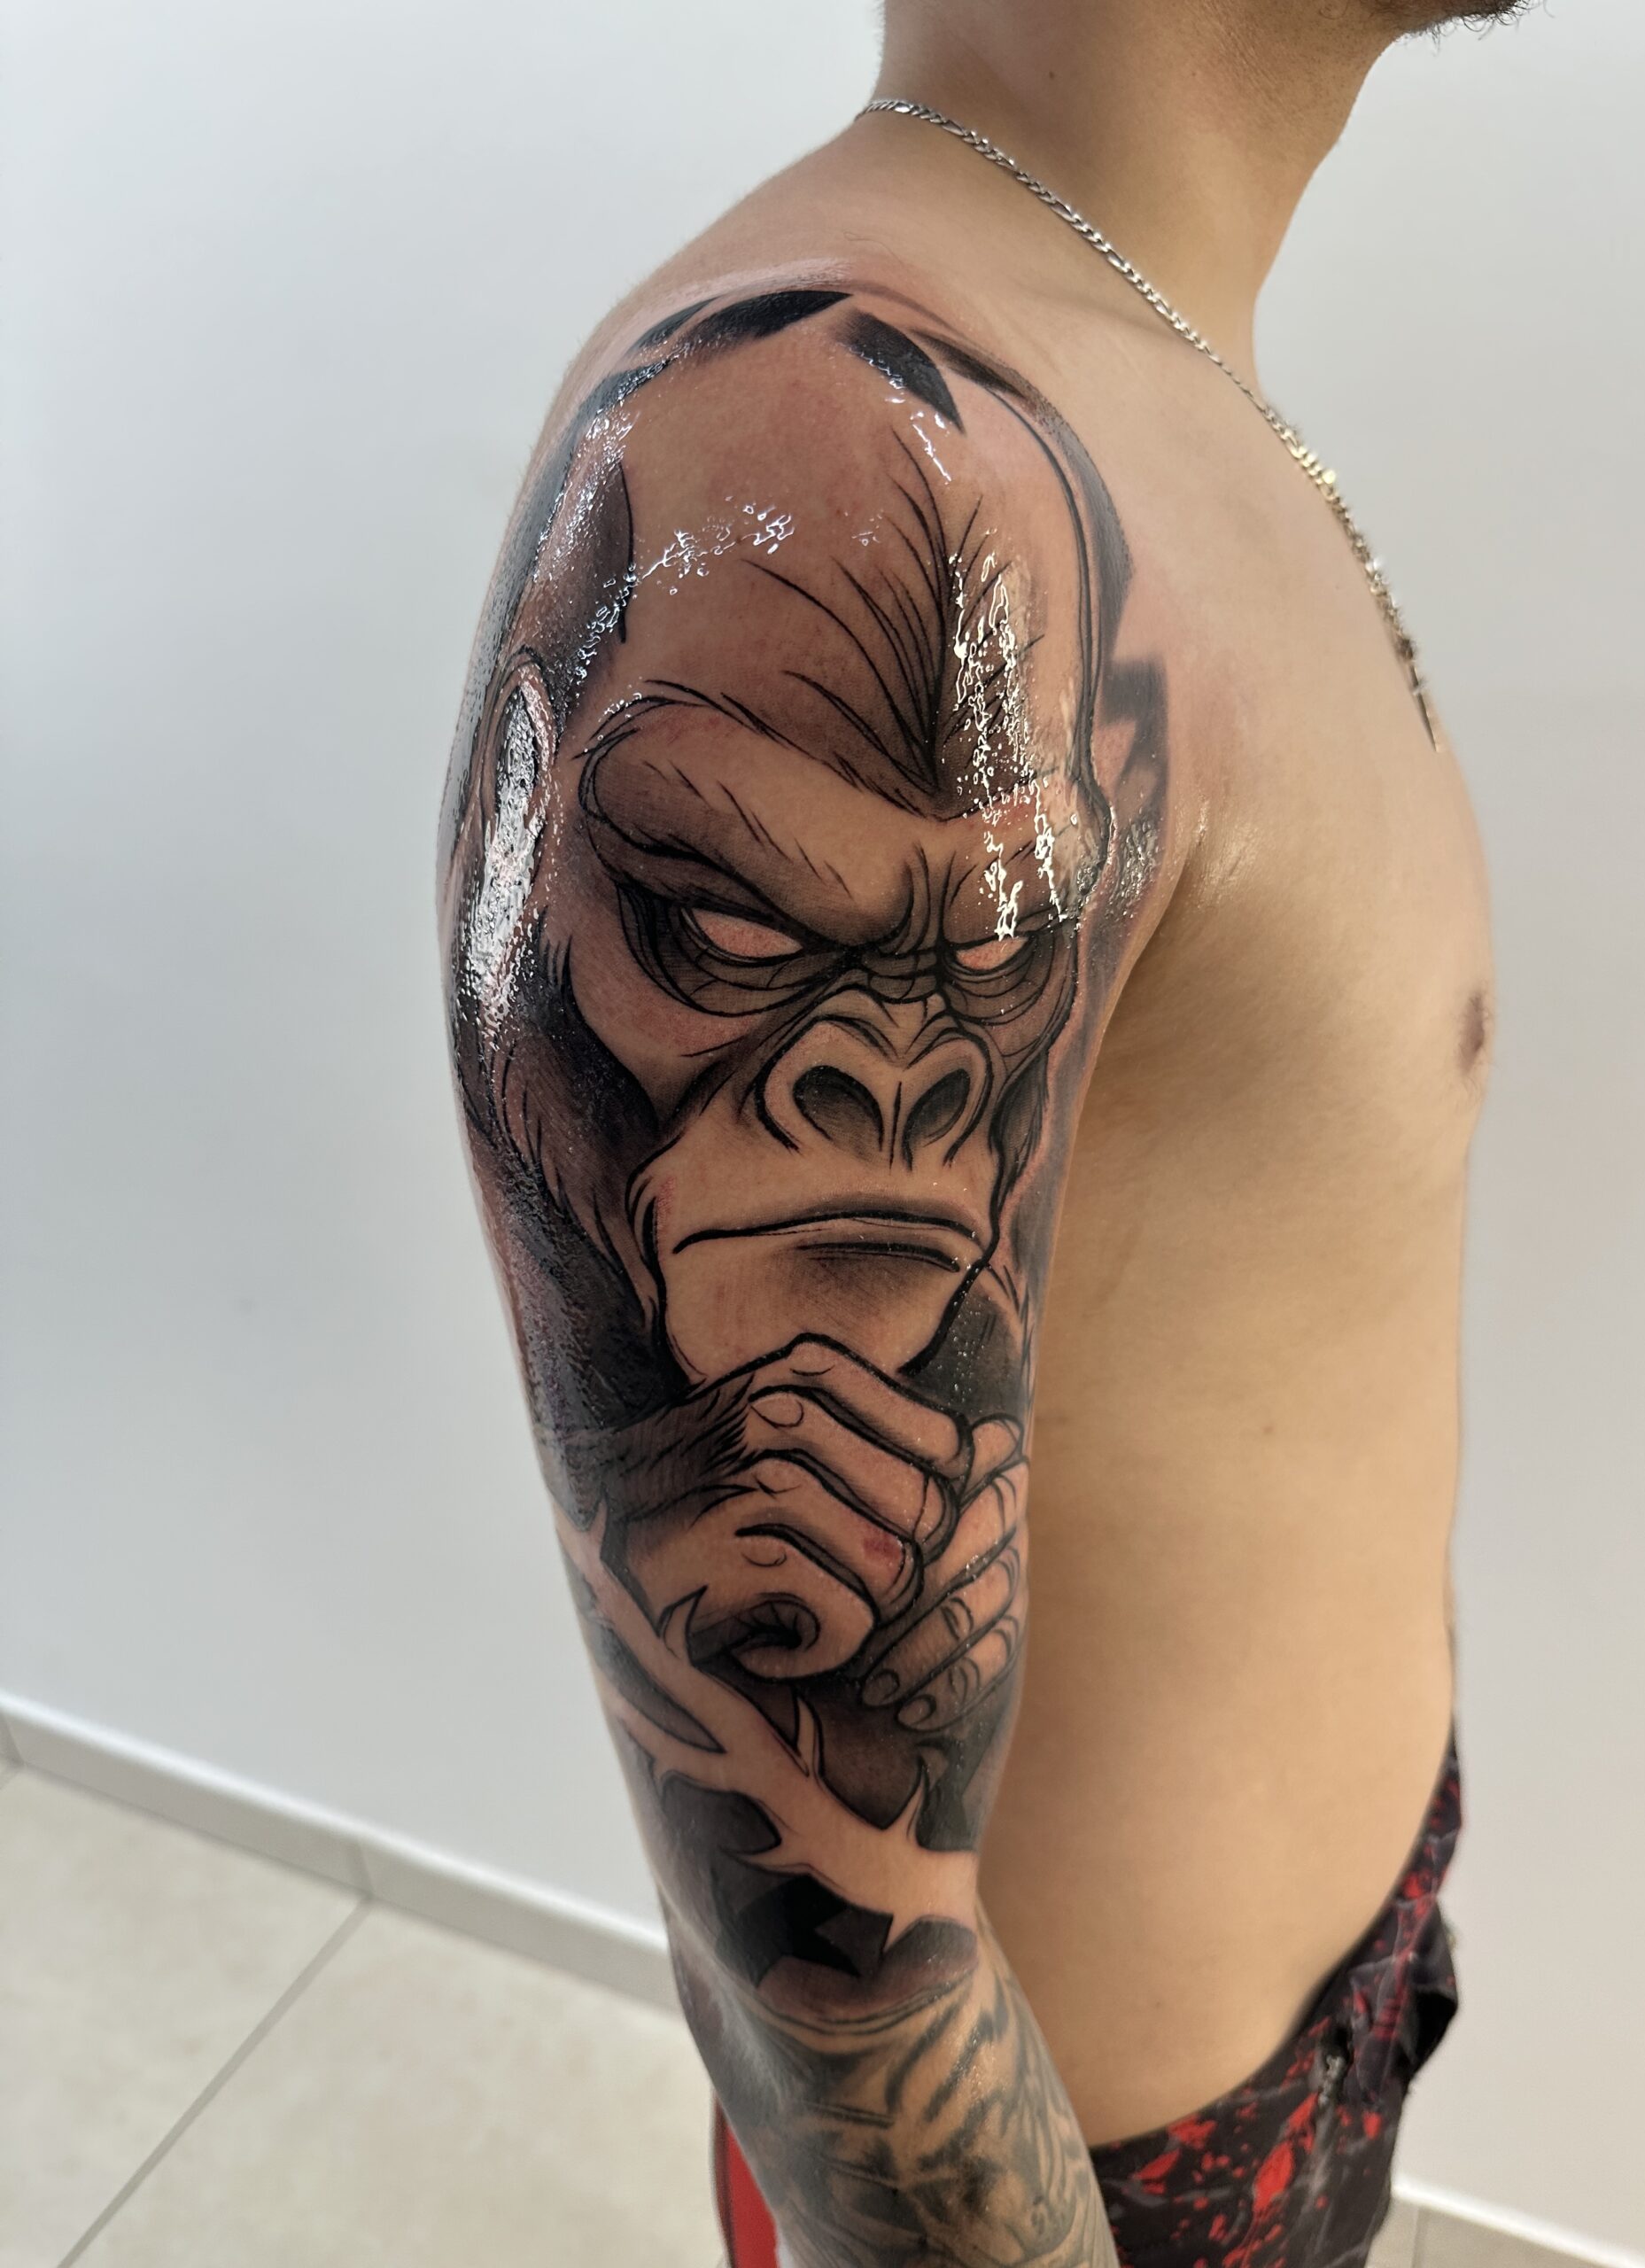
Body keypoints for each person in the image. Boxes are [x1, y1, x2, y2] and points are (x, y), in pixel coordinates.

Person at [438, 3, 1513, 2259]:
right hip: (1059, 2185)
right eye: (728, 913)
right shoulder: (856, 447)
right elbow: (828, 1978)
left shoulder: (1116, 379)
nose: (882, 1080)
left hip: (1307, 2018)